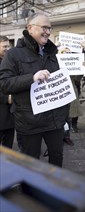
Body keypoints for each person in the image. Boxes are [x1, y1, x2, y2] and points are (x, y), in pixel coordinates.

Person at [0, 13, 69, 167]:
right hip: (29, 122)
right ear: (30, 28)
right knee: (30, 164)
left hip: (54, 121)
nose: (48, 32)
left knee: (56, 159)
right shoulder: (13, 55)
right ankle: (29, 191)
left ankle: (53, 188)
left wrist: (65, 118)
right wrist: (31, 78)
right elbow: (4, 84)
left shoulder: (52, 54)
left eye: (49, 28)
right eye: (44, 27)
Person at [0, 35, 15, 149]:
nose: (7, 48)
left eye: (8, 46)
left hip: (10, 112)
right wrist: (6, 98)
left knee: (8, 144)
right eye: (4, 46)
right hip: (2, 108)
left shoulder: (9, 61)